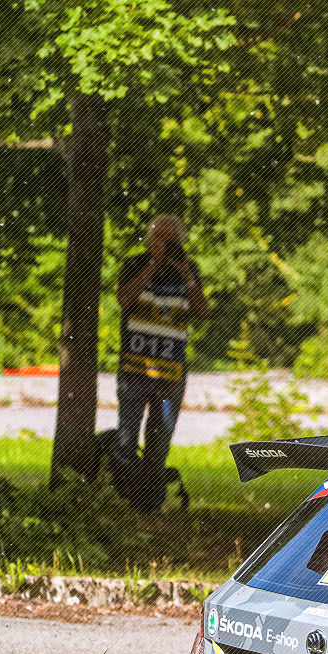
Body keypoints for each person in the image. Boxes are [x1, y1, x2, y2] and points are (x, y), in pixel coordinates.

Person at [112, 214, 209, 511]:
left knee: (160, 439)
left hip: (171, 372)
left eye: (172, 240)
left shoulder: (188, 268)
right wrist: (153, 265)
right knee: (126, 437)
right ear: (150, 240)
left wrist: (187, 276)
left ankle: (150, 503)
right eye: (160, 239)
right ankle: (122, 500)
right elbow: (124, 299)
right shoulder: (135, 264)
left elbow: (203, 312)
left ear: (181, 242)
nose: (166, 245)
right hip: (135, 367)